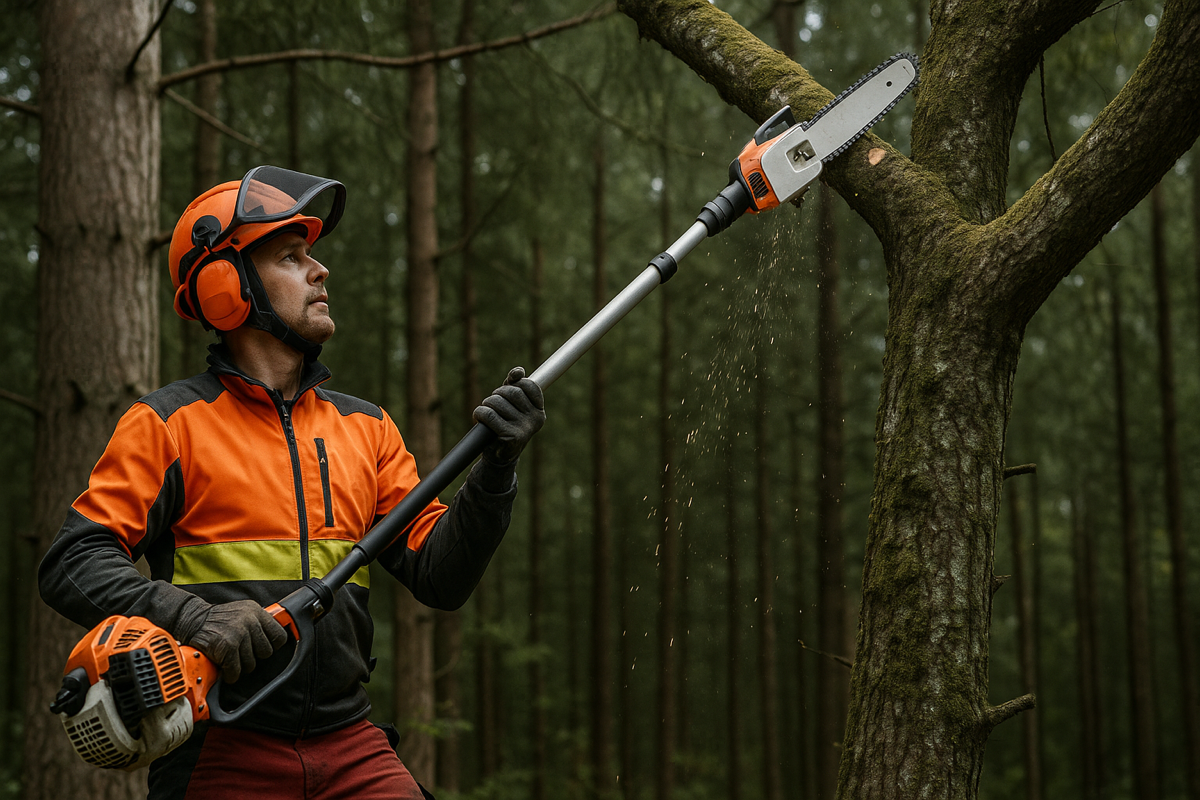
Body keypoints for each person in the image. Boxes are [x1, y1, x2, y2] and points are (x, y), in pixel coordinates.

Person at [38, 166, 545, 799]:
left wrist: (496, 472)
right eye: (291, 255)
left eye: (312, 254)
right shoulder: (168, 425)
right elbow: (73, 561)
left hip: (351, 744)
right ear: (227, 287)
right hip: (222, 748)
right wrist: (193, 619)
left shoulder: (367, 428)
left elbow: (441, 575)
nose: (320, 270)